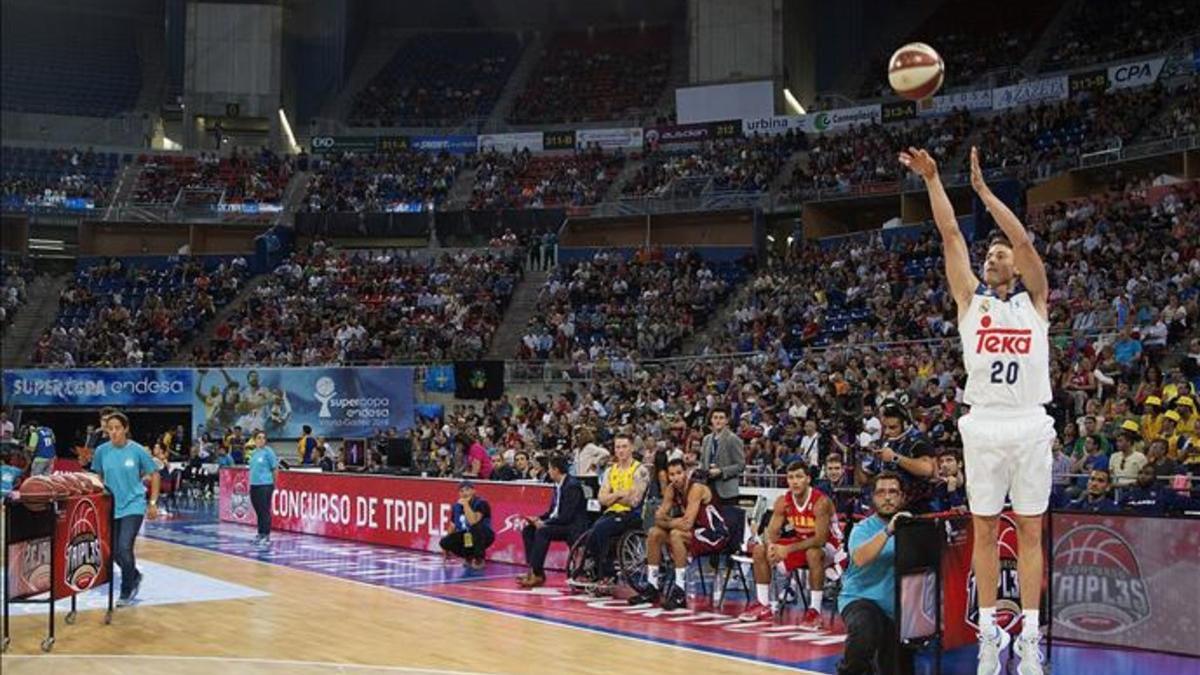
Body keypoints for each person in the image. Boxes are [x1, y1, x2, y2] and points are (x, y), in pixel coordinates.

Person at [903, 145, 1053, 673]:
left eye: (999, 254)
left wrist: (987, 193)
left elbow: (1024, 241)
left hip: (1032, 421)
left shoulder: (1035, 301)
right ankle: (991, 635)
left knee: (1031, 530)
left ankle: (1030, 639)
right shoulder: (972, 301)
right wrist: (932, 180)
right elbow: (948, 235)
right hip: (984, 424)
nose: (993, 258)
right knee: (985, 529)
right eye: (988, 255)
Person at [739, 461, 844, 630]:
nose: (794, 481)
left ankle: (814, 611)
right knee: (760, 550)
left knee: (813, 553)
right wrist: (772, 546)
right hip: (802, 542)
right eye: (790, 477)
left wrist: (787, 549)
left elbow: (820, 539)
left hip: (832, 547)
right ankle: (763, 604)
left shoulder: (821, 502)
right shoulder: (783, 501)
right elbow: (771, 531)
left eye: (799, 477)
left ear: (808, 479)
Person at [835, 472, 914, 675]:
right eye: (881, 492)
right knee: (865, 630)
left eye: (893, 492)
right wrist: (888, 530)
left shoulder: (914, 527)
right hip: (860, 598)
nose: (887, 497)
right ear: (872, 498)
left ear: (902, 497)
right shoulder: (862, 528)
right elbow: (860, 558)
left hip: (897, 610)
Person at [629, 458, 729, 610]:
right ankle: (652, 587)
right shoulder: (671, 489)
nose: (676, 477)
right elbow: (658, 518)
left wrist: (668, 522)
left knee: (676, 534)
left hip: (713, 534)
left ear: (686, 473)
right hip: (693, 533)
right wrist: (671, 522)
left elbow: (687, 523)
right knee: (654, 532)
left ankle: (680, 590)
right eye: (672, 474)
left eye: (679, 473)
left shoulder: (696, 488)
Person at [90, 412, 160, 606]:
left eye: (117, 428)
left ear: (125, 429)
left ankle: (126, 590)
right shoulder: (102, 451)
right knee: (111, 552)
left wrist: (152, 503)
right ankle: (135, 575)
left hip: (134, 505)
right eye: (109, 429)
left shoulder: (137, 451)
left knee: (124, 547)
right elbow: (99, 476)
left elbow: (154, 474)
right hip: (111, 506)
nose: (113, 432)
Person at [587, 433, 649, 584]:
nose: (620, 450)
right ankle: (597, 569)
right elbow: (602, 499)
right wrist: (620, 494)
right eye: (617, 447)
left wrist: (612, 496)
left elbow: (634, 501)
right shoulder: (610, 470)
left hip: (631, 515)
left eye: (624, 447)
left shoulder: (640, 471)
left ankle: (607, 573)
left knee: (601, 529)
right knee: (590, 532)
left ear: (632, 448)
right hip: (611, 512)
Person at [517, 455, 587, 588]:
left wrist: (546, 523)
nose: (548, 471)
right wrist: (539, 519)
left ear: (556, 470)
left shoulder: (572, 486)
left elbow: (566, 516)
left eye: (549, 468)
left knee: (542, 531)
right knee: (528, 529)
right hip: (559, 522)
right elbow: (552, 512)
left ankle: (537, 575)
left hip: (571, 526)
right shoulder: (558, 485)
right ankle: (533, 570)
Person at [857, 404, 935, 513]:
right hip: (885, 506)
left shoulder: (918, 440)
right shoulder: (884, 442)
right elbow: (865, 480)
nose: (887, 432)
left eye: (892, 427)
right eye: (885, 427)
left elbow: (927, 469)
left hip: (914, 508)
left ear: (905, 424)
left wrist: (895, 458)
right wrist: (857, 459)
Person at [439, 480, 494, 569]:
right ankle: (468, 556)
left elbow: (473, 521)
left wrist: (466, 505)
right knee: (445, 541)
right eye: (461, 491)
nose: (464, 493)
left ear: (473, 491)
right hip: (468, 536)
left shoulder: (481, 503)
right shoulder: (456, 506)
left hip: (484, 535)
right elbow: (452, 526)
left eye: (467, 490)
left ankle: (479, 559)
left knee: (475, 528)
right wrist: (445, 547)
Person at [698, 407, 746, 507]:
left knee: (729, 521)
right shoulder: (706, 439)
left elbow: (740, 465)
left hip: (727, 492)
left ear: (726, 421)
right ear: (711, 420)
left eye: (721, 418)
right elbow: (702, 462)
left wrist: (721, 471)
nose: (718, 421)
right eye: (715, 418)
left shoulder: (733, 439)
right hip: (708, 488)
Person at [248, 431, 280, 546]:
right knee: (258, 511)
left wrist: (274, 484)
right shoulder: (254, 453)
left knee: (264, 510)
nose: (261, 440)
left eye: (263, 438)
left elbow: (275, 468)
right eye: (259, 438)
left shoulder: (268, 452)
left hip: (265, 485)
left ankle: (266, 535)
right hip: (254, 485)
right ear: (255, 440)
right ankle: (260, 533)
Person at [1108, 421, 1147, 486]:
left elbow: (1143, 475)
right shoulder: (1113, 456)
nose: (1117, 444)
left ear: (1129, 442)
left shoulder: (1140, 457)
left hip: (1133, 487)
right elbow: (1111, 473)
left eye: (1120, 441)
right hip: (1116, 488)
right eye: (1117, 441)